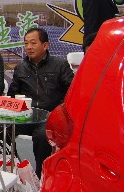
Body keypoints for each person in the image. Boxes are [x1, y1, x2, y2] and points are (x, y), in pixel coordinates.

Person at [8, 27, 74, 178]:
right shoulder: (20, 68)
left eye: (33, 43)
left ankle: (41, 177)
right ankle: (17, 171)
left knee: (42, 136)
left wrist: (58, 112)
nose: (29, 47)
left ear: (45, 45)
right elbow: (12, 95)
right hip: (25, 117)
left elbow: (72, 92)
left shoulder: (60, 65)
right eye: (26, 43)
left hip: (49, 118)